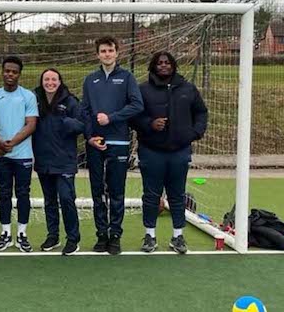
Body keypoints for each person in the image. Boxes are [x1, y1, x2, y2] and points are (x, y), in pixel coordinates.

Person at [133, 51, 208, 254]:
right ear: (153, 66)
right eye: (159, 63)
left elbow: (201, 112)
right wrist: (150, 124)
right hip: (151, 151)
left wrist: (195, 133)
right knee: (151, 195)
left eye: (167, 62)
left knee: (177, 195)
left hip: (179, 152)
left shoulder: (188, 89)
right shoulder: (143, 90)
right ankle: (150, 235)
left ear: (173, 66)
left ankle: (178, 237)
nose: (164, 65)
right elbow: (134, 117)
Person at [80, 36, 143, 255]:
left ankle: (115, 235)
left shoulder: (127, 78)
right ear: (97, 54)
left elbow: (137, 105)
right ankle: (101, 235)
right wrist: (89, 136)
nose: (107, 54)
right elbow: (85, 111)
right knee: (97, 191)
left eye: (110, 50)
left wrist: (112, 118)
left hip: (118, 141)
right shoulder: (90, 80)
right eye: (103, 51)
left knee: (116, 191)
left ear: (117, 53)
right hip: (95, 144)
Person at [0, 56, 38, 253]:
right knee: (4, 193)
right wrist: (0, 144)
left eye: (14, 72)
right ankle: (5, 233)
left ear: (19, 74)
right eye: (7, 70)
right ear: (2, 72)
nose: (10, 74)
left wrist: (11, 143)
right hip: (0, 155)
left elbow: (31, 124)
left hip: (23, 155)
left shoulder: (28, 96)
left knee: (23, 193)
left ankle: (22, 234)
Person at [32, 68, 84, 255]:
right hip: (43, 159)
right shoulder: (34, 100)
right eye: (46, 79)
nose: (50, 82)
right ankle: (52, 236)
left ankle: (73, 238)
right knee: (49, 201)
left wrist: (67, 122)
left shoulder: (70, 101)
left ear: (60, 81)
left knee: (67, 198)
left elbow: (81, 125)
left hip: (65, 160)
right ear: (42, 81)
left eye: (54, 79)